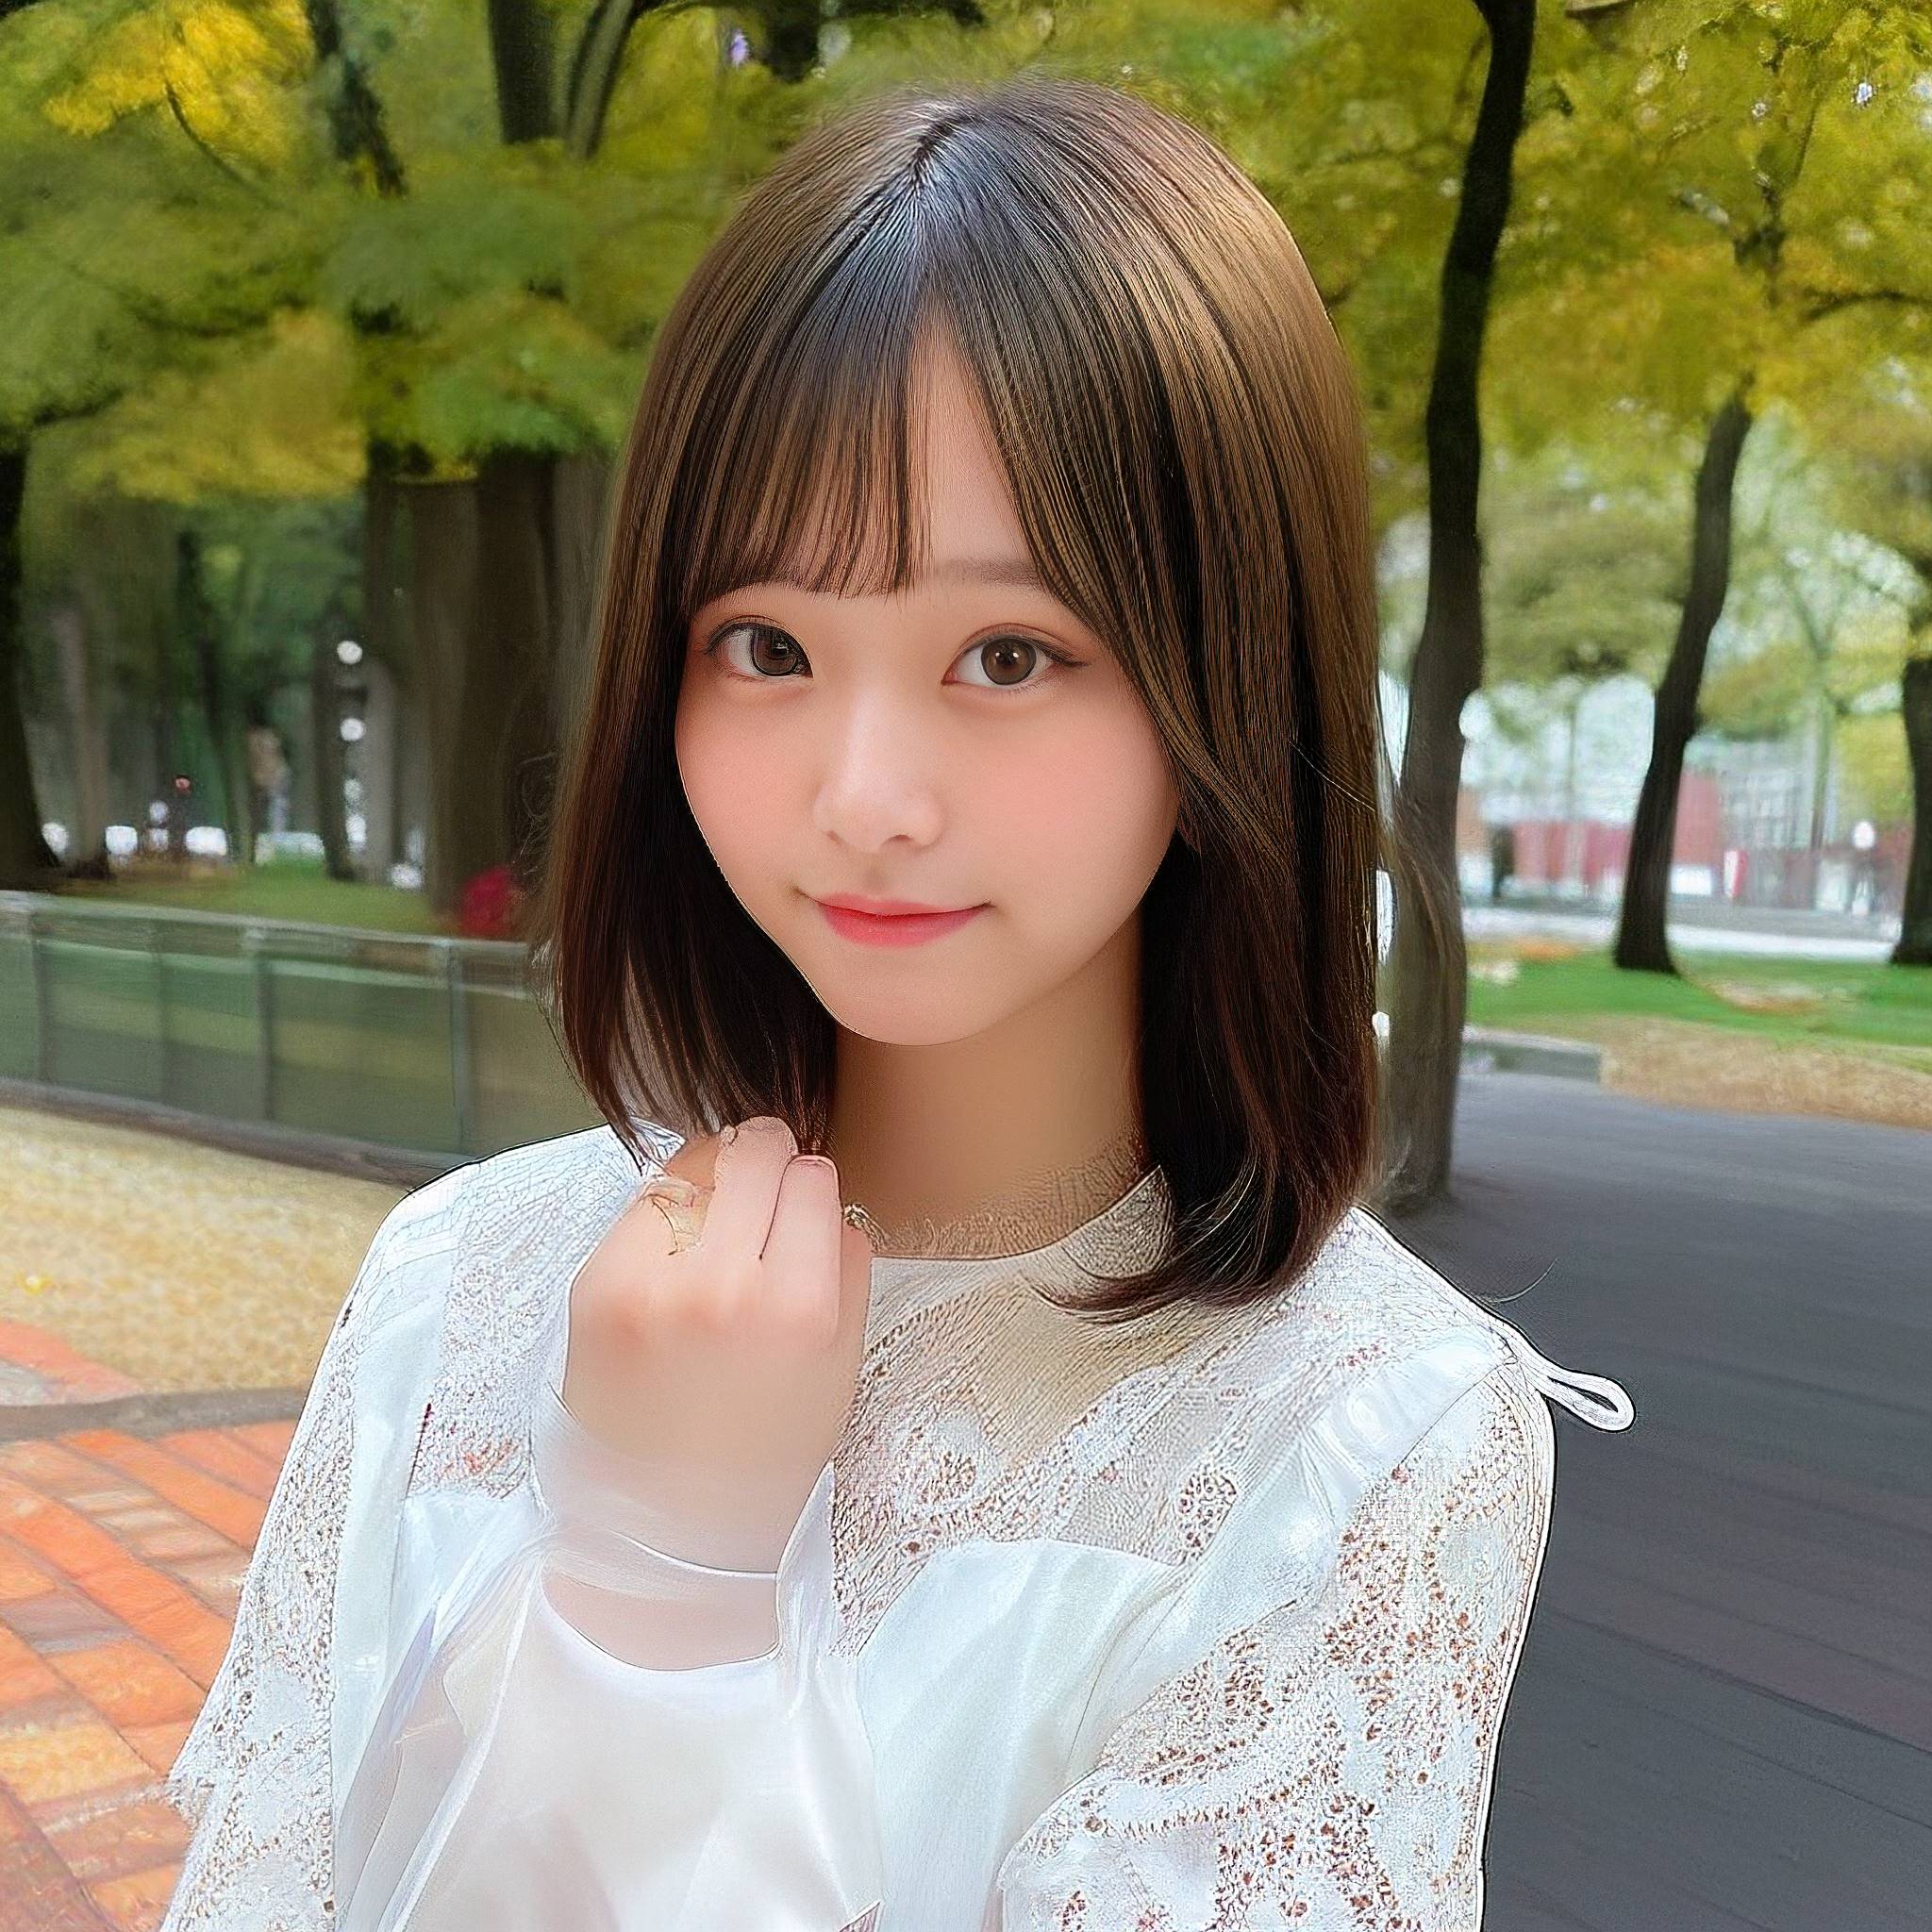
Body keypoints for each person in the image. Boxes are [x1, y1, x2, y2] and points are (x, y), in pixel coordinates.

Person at [158, 75, 1634, 1932]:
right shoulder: (459, 1284)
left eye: (1007, 653)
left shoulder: (1353, 1440)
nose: (862, 795)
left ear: (1230, 684)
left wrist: (665, 1598)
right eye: (767, 644)